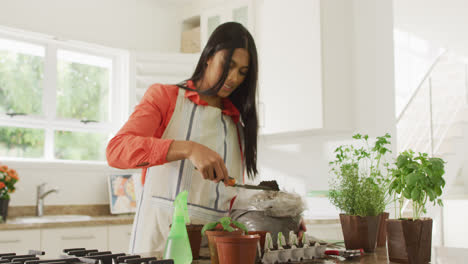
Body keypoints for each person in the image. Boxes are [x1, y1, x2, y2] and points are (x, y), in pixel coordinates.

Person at [106, 22, 260, 253]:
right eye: (228, 65)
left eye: (242, 72)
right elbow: (117, 151)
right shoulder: (165, 97)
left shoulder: (236, 124)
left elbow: (233, 199)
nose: (233, 78)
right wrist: (189, 149)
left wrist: (274, 218)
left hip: (212, 252)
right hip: (158, 246)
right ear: (208, 56)